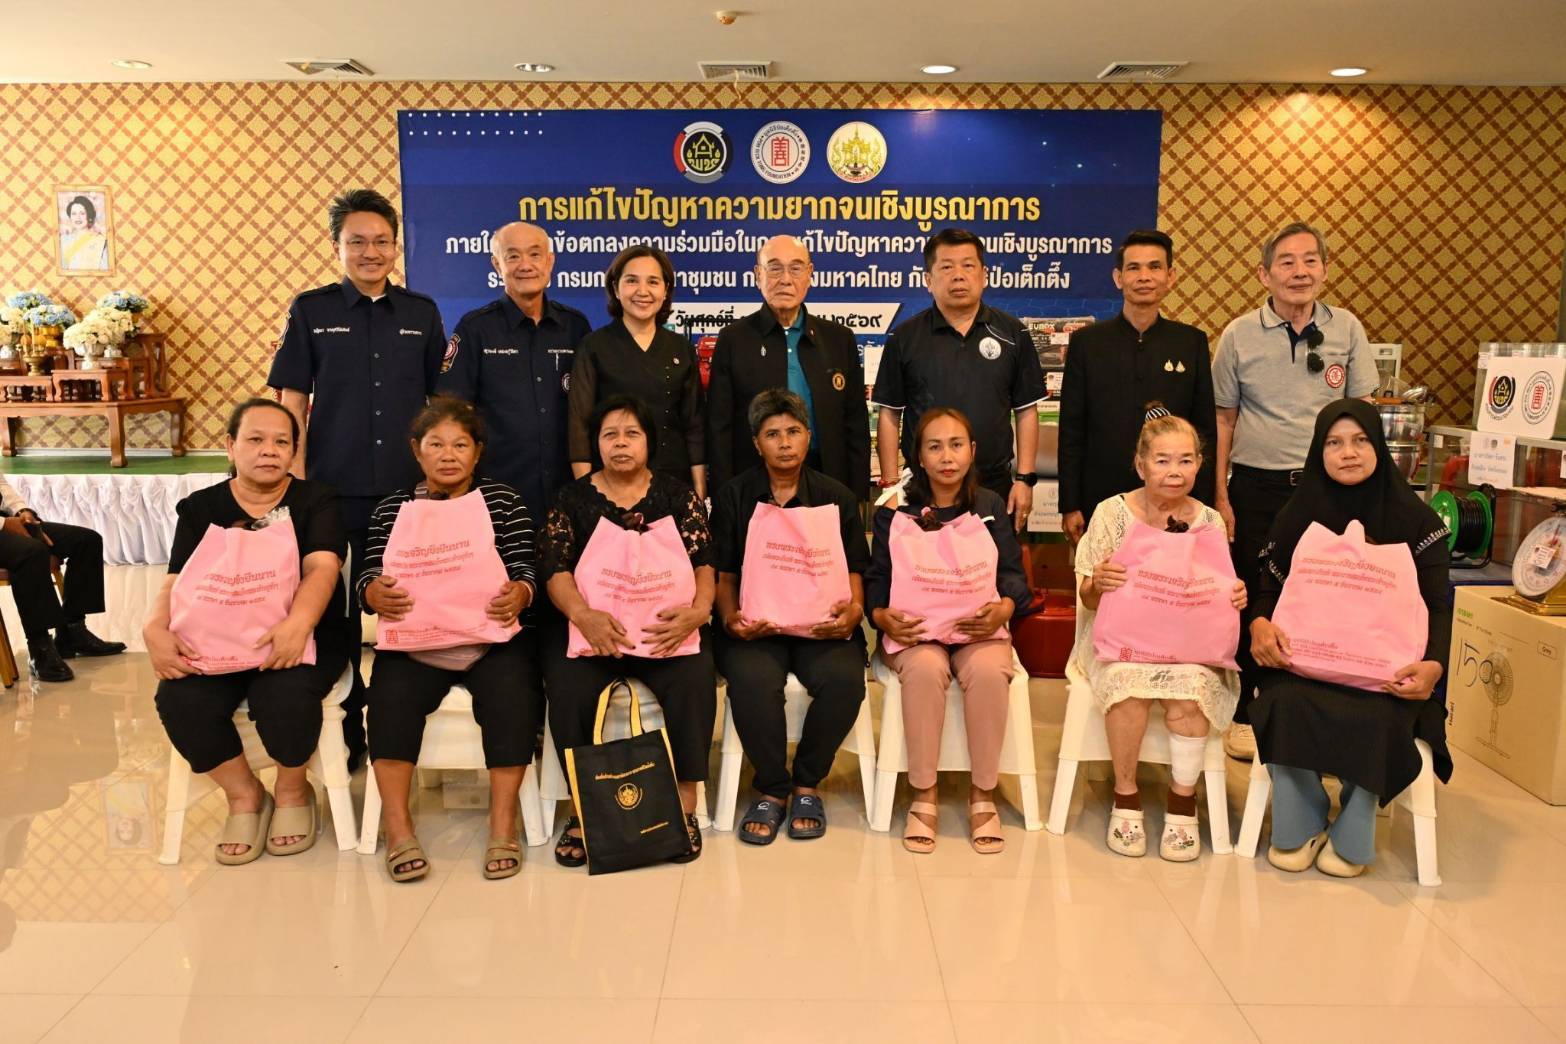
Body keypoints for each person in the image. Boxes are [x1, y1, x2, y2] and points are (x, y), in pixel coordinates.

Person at [267, 188, 448, 764]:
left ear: (396, 247)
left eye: (381, 241)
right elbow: (292, 400)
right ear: (337, 247)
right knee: (338, 615)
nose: (371, 252)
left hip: (408, 493)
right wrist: (295, 481)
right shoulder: (312, 310)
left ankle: (405, 721)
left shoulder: (421, 313)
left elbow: (440, 404)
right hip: (333, 490)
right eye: (357, 242)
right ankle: (347, 727)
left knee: (410, 603)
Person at [1248, 400, 1451, 878]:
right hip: (1304, 667)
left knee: (1381, 716)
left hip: (1386, 676)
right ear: (1318, 452)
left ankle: (1354, 833)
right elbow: (1267, 591)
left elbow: (1439, 605)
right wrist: (1259, 624)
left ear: (1378, 446)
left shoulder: (1417, 522)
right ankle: (1301, 822)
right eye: (1334, 443)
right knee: (1282, 702)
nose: (1349, 453)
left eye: (1360, 441)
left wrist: (1434, 666)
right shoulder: (1297, 515)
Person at [146, 399, 352, 864]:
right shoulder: (201, 508)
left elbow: (322, 567)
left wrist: (298, 624)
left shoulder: (317, 500)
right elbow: (176, 579)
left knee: (286, 695)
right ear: (230, 446)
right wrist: (154, 626)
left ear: (294, 451)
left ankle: (293, 791)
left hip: (300, 635)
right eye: (255, 440)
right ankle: (244, 796)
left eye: (282, 442)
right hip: (213, 640)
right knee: (179, 700)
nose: (269, 450)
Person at [1212, 222, 1380, 760]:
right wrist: (1220, 496)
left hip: (1327, 490)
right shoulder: (1239, 334)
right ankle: (1246, 709)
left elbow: (1363, 416)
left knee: (1321, 593)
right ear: (1264, 274)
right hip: (1255, 485)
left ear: (1325, 270)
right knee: (1251, 590)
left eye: (1310, 260)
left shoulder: (1347, 328)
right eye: (1286, 262)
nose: (1299, 271)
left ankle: (1314, 707)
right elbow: (1223, 420)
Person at [358, 397, 541, 882]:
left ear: (477, 451)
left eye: (460, 445)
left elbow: (527, 567)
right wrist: (373, 592)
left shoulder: (503, 500)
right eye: (435, 444)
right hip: (416, 644)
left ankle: (502, 822)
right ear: (416, 450)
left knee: (514, 696)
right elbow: (367, 575)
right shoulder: (393, 508)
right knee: (389, 701)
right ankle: (399, 828)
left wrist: (521, 593)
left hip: (490, 640)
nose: (448, 455)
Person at [541, 395, 717, 866]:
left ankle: (684, 805)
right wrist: (583, 616)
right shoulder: (572, 498)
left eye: (631, 434)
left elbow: (704, 561)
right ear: (596, 443)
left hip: (665, 632)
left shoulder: (677, 496)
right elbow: (554, 568)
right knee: (567, 687)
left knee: (695, 678)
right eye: (610, 435)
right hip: (597, 633)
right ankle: (583, 809)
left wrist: (699, 611)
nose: (620, 444)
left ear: (649, 442)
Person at [1070, 409, 1246, 861]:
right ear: (1141, 464)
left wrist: (1235, 595)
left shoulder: (1209, 521)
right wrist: (1098, 583)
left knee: (1192, 687)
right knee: (1128, 685)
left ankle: (1182, 800)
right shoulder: (1112, 513)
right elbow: (1088, 598)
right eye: (1162, 460)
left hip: (1189, 645)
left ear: (1200, 464)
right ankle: (1126, 797)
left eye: (1186, 460)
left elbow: (1217, 589)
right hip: (1121, 643)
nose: (1174, 471)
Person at [866, 407, 1031, 854]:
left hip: (978, 629)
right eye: (934, 447)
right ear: (918, 456)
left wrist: (1003, 609)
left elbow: (1013, 576)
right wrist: (881, 616)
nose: (946, 457)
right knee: (924, 669)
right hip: (916, 633)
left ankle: (983, 793)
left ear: (972, 451)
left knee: (990, 671)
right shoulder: (894, 509)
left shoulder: (990, 506)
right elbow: (877, 578)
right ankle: (924, 791)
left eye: (956, 445)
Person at [711, 389, 868, 843]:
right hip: (756, 628)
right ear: (756, 443)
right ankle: (773, 788)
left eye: (793, 431)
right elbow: (723, 574)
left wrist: (854, 611)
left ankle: (807, 782)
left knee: (844, 681)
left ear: (808, 436)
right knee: (753, 682)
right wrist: (732, 619)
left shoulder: (836, 498)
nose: (784, 443)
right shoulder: (734, 496)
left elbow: (855, 569)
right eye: (772, 434)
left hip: (821, 628)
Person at [872, 228, 1047, 531]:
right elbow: (889, 413)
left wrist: (1024, 479)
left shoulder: (1013, 333)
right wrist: (890, 484)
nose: (958, 276)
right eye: (946, 267)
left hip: (994, 485)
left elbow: (1026, 410)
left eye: (968, 265)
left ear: (984, 275)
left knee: (995, 561)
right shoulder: (904, 338)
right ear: (928, 280)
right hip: (924, 488)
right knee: (924, 562)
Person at [1059, 230, 1217, 541]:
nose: (1144, 276)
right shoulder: (1087, 343)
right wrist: (1070, 504)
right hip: (1101, 495)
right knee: (1103, 573)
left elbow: (1205, 430)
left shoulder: (1191, 343)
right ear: (1118, 278)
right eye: (1134, 268)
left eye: (1155, 267)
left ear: (1170, 276)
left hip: (1175, 498)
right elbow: (1072, 430)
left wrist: (1204, 503)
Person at [437, 222, 592, 524]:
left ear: (550, 261)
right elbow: (451, 410)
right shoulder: (475, 329)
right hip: (497, 494)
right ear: (497, 265)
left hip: (569, 490)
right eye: (513, 256)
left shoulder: (576, 326)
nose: (525, 265)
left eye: (535, 254)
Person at [706, 235, 870, 497]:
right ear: (758, 275)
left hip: (827, 483)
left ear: (810, 274)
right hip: (754, 487)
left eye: (795, 268)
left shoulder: (839, 339)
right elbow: (719, 429)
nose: (785, 279)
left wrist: (857, 495)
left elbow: (856, 426)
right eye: (774, 268)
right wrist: (724, 496)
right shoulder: (734, 339)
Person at [568, 245, 705, 495]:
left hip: (674, 482)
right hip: (611, 484)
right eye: (632, 281)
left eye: (653, 282)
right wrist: (588, 496)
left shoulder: (681, 347)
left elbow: (694, 424)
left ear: (665, 290)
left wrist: (699, 491)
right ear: (615, 288)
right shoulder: (594, 346)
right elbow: (580, 424)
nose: (643, 291)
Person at [0, 472, 124, 684]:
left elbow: (1, 485)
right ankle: (39, 648)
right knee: (31, 553)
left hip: (7, 522)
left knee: (86, 541)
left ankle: (72, 633)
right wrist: (4, 524)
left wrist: (22, 511)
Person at [58, 195, 109, 271]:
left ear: (89, 215)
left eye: (82, 213)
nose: (77, 217)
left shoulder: (101, 241)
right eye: (74, 213)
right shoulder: (63, 240)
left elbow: (105, 269)